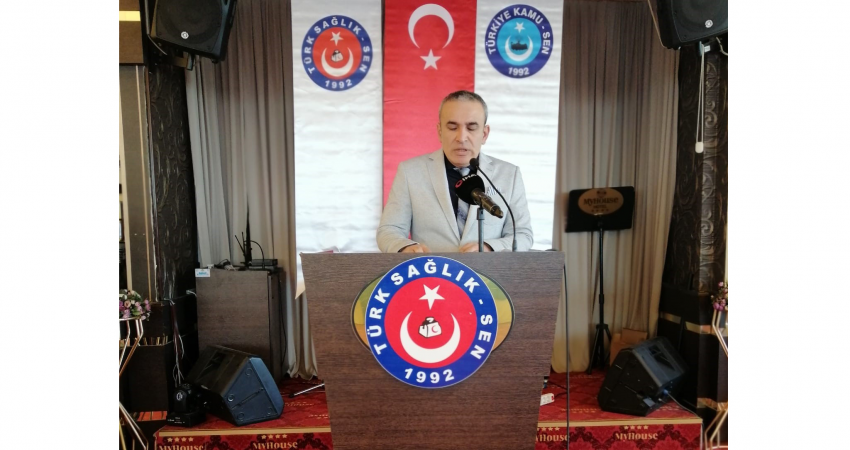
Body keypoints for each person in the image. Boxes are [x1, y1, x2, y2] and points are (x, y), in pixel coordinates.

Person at [377, 90, 533, 253]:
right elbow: (389, 230)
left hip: (488, 270)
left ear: (484, 134)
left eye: (471, 128)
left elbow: (522, 235)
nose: (461, 137)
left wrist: (488, 248)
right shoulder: (410, 172)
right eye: (452, 127)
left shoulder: (509, 175)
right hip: (431, 269)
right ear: (440, 131)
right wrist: (405, 248)